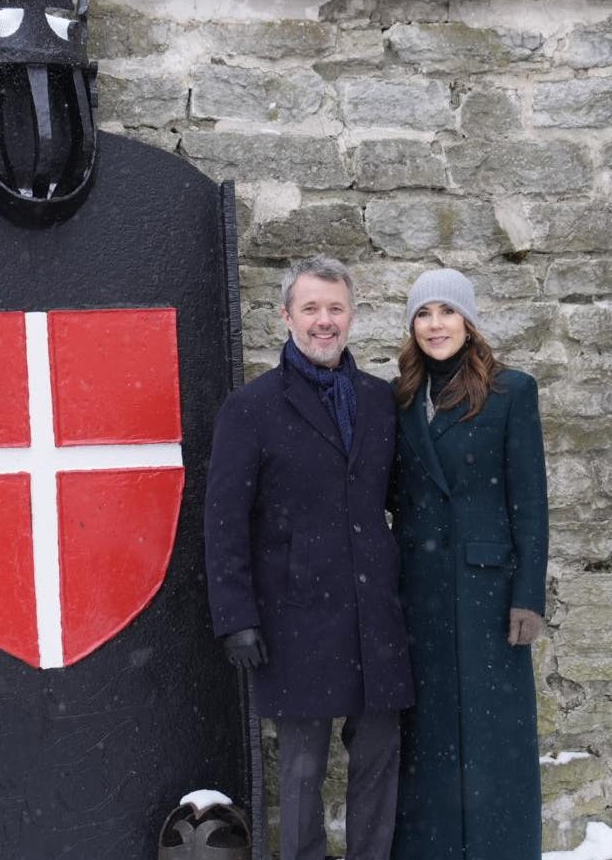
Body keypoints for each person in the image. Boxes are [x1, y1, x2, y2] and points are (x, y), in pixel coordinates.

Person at [205, 257, 415, 860]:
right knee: (300, 771)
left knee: (378, 760)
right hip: (295, 617)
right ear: (287, 316)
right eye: (311, 308)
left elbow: (399, 499)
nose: (324, 321)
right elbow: (223, 521)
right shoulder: (251, 408)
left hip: (375, 615)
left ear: (352, 314)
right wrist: (235, 616)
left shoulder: (379, 402)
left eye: (335, 308)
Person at [388, 268, 549, 860]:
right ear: (413, 327)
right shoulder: (401, 398)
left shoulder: (512, 391)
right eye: (424, 314)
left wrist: (529, 595)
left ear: (468, 321)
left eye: (447, 312)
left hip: (489, 594)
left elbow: (529, 500)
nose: (436, 325)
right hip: (421, 592)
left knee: (494, 735)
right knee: (428, 735)